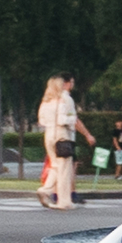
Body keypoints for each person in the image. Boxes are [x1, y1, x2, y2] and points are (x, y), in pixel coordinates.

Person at [35, 75, 96, 211]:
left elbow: (41, 120)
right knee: (65, 169)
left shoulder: (46, 101)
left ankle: (46, 189)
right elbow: (66, 119)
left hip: (49, 134)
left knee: (55, 166)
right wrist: (72, 119)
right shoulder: (65, 99)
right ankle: (64, 201)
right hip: (62, 135)